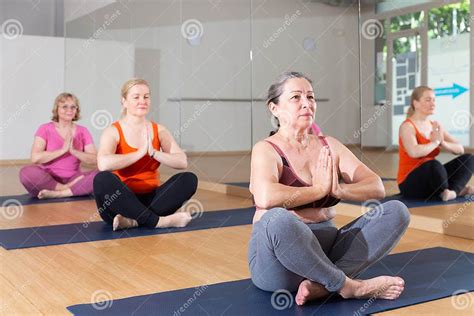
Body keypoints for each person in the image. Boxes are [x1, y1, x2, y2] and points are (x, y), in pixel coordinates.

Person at [248, 72, 410, 306]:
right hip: (278, 266)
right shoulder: (266, 149)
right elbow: (265, 197)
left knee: (397, 211)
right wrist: (319, 190)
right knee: (276, 219)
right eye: (295, 97)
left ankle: (323, 285)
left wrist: (339, 191)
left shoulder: (329, 145)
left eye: (310, 97)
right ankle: (349, 286)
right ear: (274, 108)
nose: (306, 103)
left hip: (327, 251)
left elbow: (376, 186)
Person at [93, 79, 198, 231]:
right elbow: (103, 163)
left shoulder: (159, 130)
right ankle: (159, 222)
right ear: (124, 101)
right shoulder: (113, 131)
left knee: (189, 179)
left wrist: (154, 153)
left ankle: (134, 222)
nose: (142, 101)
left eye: (146, 96)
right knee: (101, 180)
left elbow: (182, 161)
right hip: (119, 204)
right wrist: (140, 153)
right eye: (136, 97)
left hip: (151, 200)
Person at [398, 86, 473, 201]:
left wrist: (443, 143)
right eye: (428, 100)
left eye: (434, 100)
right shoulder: (407, 126)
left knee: (469, 159)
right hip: (409, 183)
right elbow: (414, 152)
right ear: (416, 103)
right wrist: (435, 142)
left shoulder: (434, 125)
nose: (432, 103)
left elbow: (460, 149)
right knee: (433, 165)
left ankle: (452, 192)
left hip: (432, 178)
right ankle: (458, 190)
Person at [19, 93, 98, 199]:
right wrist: (62, 150)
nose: (69, 110)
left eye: (73, 107)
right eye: (65, 106)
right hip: (47, 179)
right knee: (26, 173)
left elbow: (94, 160)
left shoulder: (83, 131)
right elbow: (35, 158)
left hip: (73, 179)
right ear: (57, 109)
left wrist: (74, 151)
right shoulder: (45, 129)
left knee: (104, 174)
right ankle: (65, 189)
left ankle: (59, 193)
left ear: (76, 110)